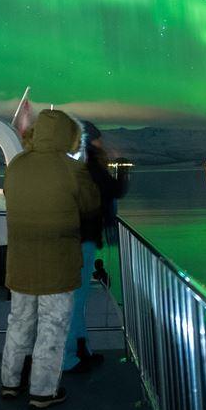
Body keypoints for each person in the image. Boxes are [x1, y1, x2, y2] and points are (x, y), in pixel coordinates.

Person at [0, 110, 99, 409]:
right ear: (69, 136)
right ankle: (43, 391)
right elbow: (91, 205)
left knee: (19, 323)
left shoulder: (17, 164)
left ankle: (10, 381)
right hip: (58, 262)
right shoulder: (72, 169)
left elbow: (8, 194)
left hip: (21, 261)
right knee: (52, 326)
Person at [63, 120, 128, 373]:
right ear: (91, 141)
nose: (103, 143)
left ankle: (81, 349)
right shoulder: (90, 166)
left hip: (73, 237)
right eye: (99, 138)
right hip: (83, 238)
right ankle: (72, 354)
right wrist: (123, 172)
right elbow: (113, 190)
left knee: (75, 297)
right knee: (76, 299)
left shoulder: (73, 164)